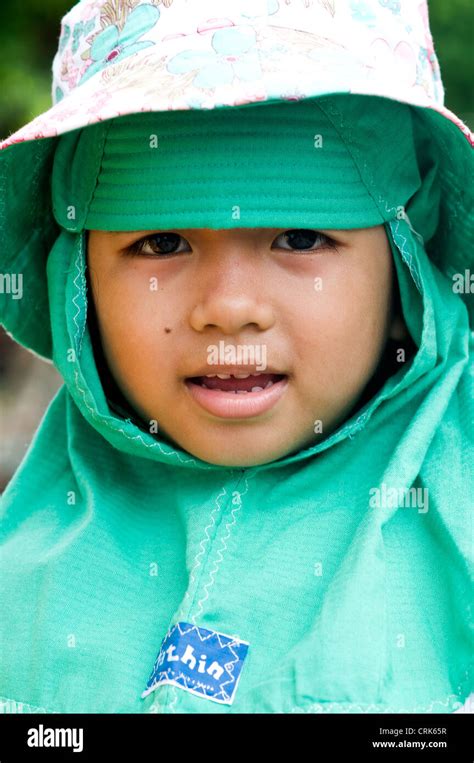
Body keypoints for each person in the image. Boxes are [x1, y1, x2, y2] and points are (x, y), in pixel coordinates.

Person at [0, 0, 472, 715]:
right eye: (160, 243)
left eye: (303, 236)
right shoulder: (23, 562)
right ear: (78, 278)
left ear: (406, 254)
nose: (229, 305)